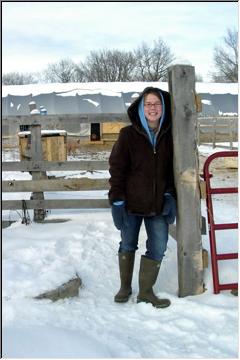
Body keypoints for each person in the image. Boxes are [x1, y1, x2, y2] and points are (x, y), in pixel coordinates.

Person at [108, 86, 176, 309]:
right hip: (130, 203)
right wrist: (117, 200)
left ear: (163, 107)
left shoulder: (171, 135)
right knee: (127, 243)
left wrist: (170, 195)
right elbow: (116, 168)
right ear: (141, 108)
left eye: (157, 103)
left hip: (158, 204)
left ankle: (146, 292)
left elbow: (174, 169)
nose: (152, 108)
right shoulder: (128, 135)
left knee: (158, 246)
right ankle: (125, 287)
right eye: (148, 104)